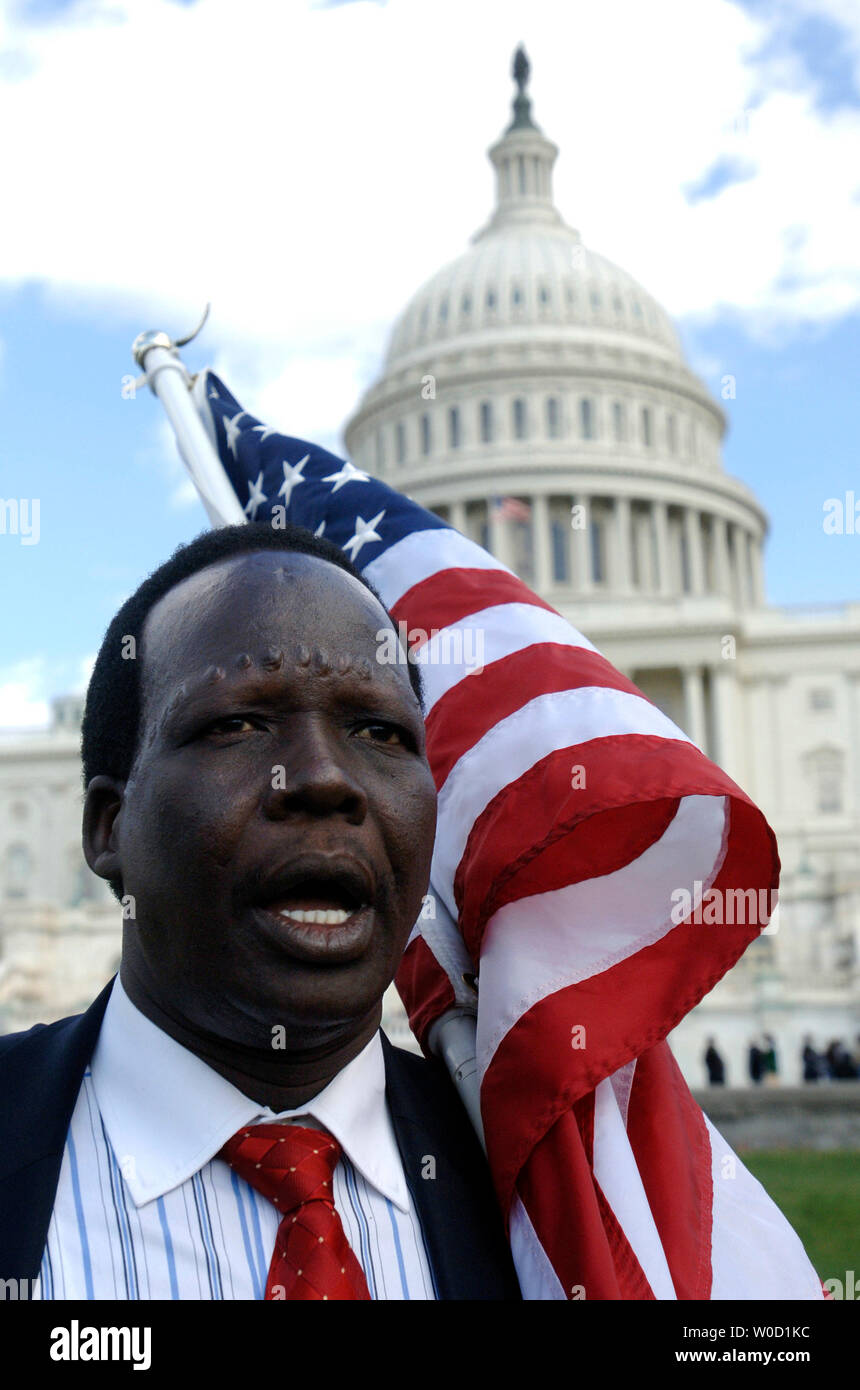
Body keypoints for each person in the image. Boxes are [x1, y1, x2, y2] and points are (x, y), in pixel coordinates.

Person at [0, 523, 521, 1300]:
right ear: (109, 828)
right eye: (238, 724)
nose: (321, 778)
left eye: (378, 731)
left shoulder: (543, 1188)